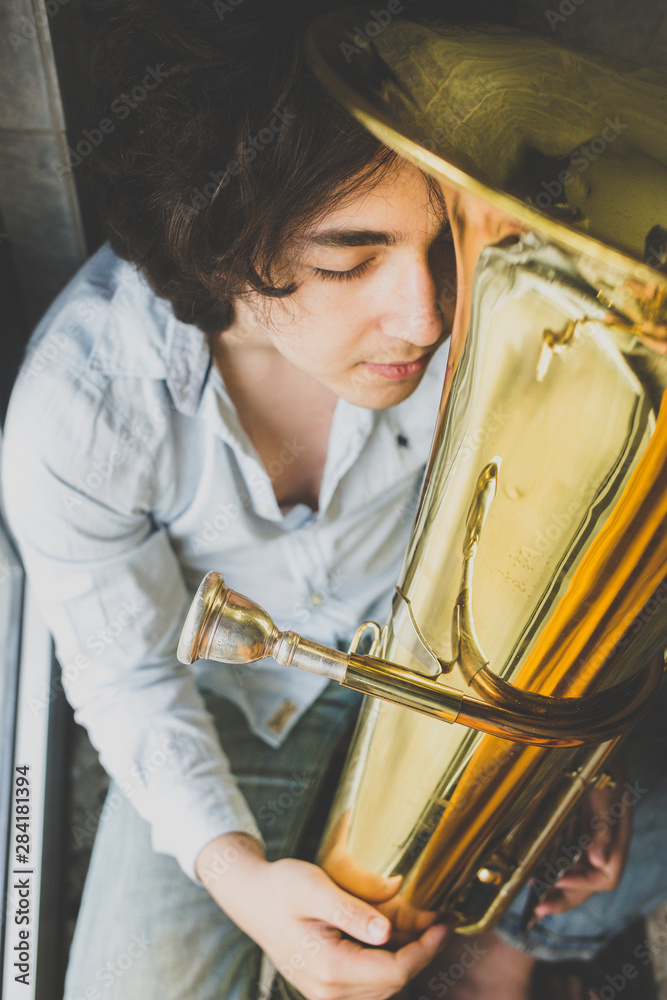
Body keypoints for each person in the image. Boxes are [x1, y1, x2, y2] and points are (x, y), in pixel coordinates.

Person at [2, 2, 665, 1000]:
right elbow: (128, 679)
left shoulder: (490, 300)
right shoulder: (75, 415)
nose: (428, 312)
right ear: (225, 254)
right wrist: (243, 882)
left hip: (439, 648)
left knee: (634, 840)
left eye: (441, 241)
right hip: (228, 708)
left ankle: (501, 955)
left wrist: (580, 761)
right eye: (348, 260)